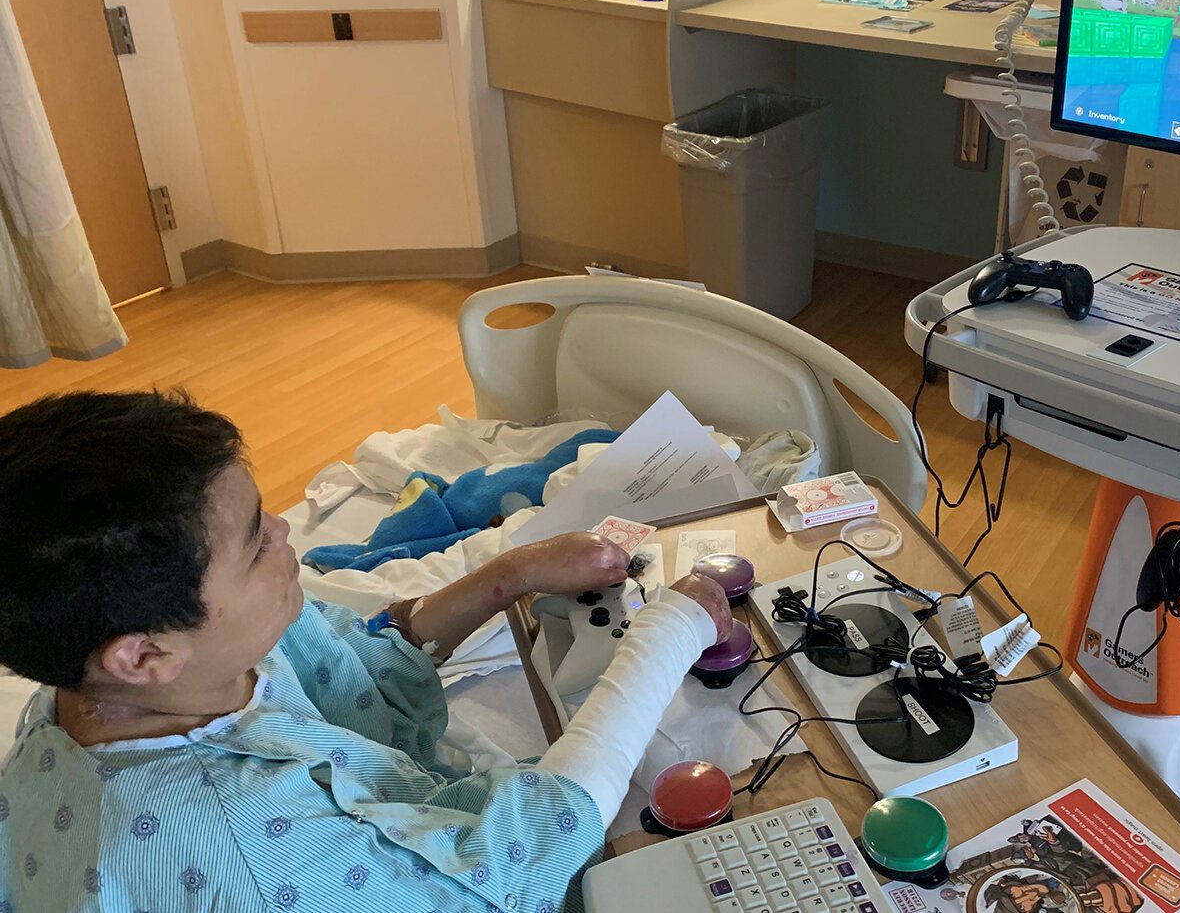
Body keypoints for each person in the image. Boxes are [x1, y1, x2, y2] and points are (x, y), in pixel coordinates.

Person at [0, 390, 731, 912]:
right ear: (141, 656)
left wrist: (511, 575)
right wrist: (665, 639)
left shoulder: (129, 676)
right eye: (256, 542)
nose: (287, 535)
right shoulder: (252, 860)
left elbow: (355, 676)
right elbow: (526, 859)